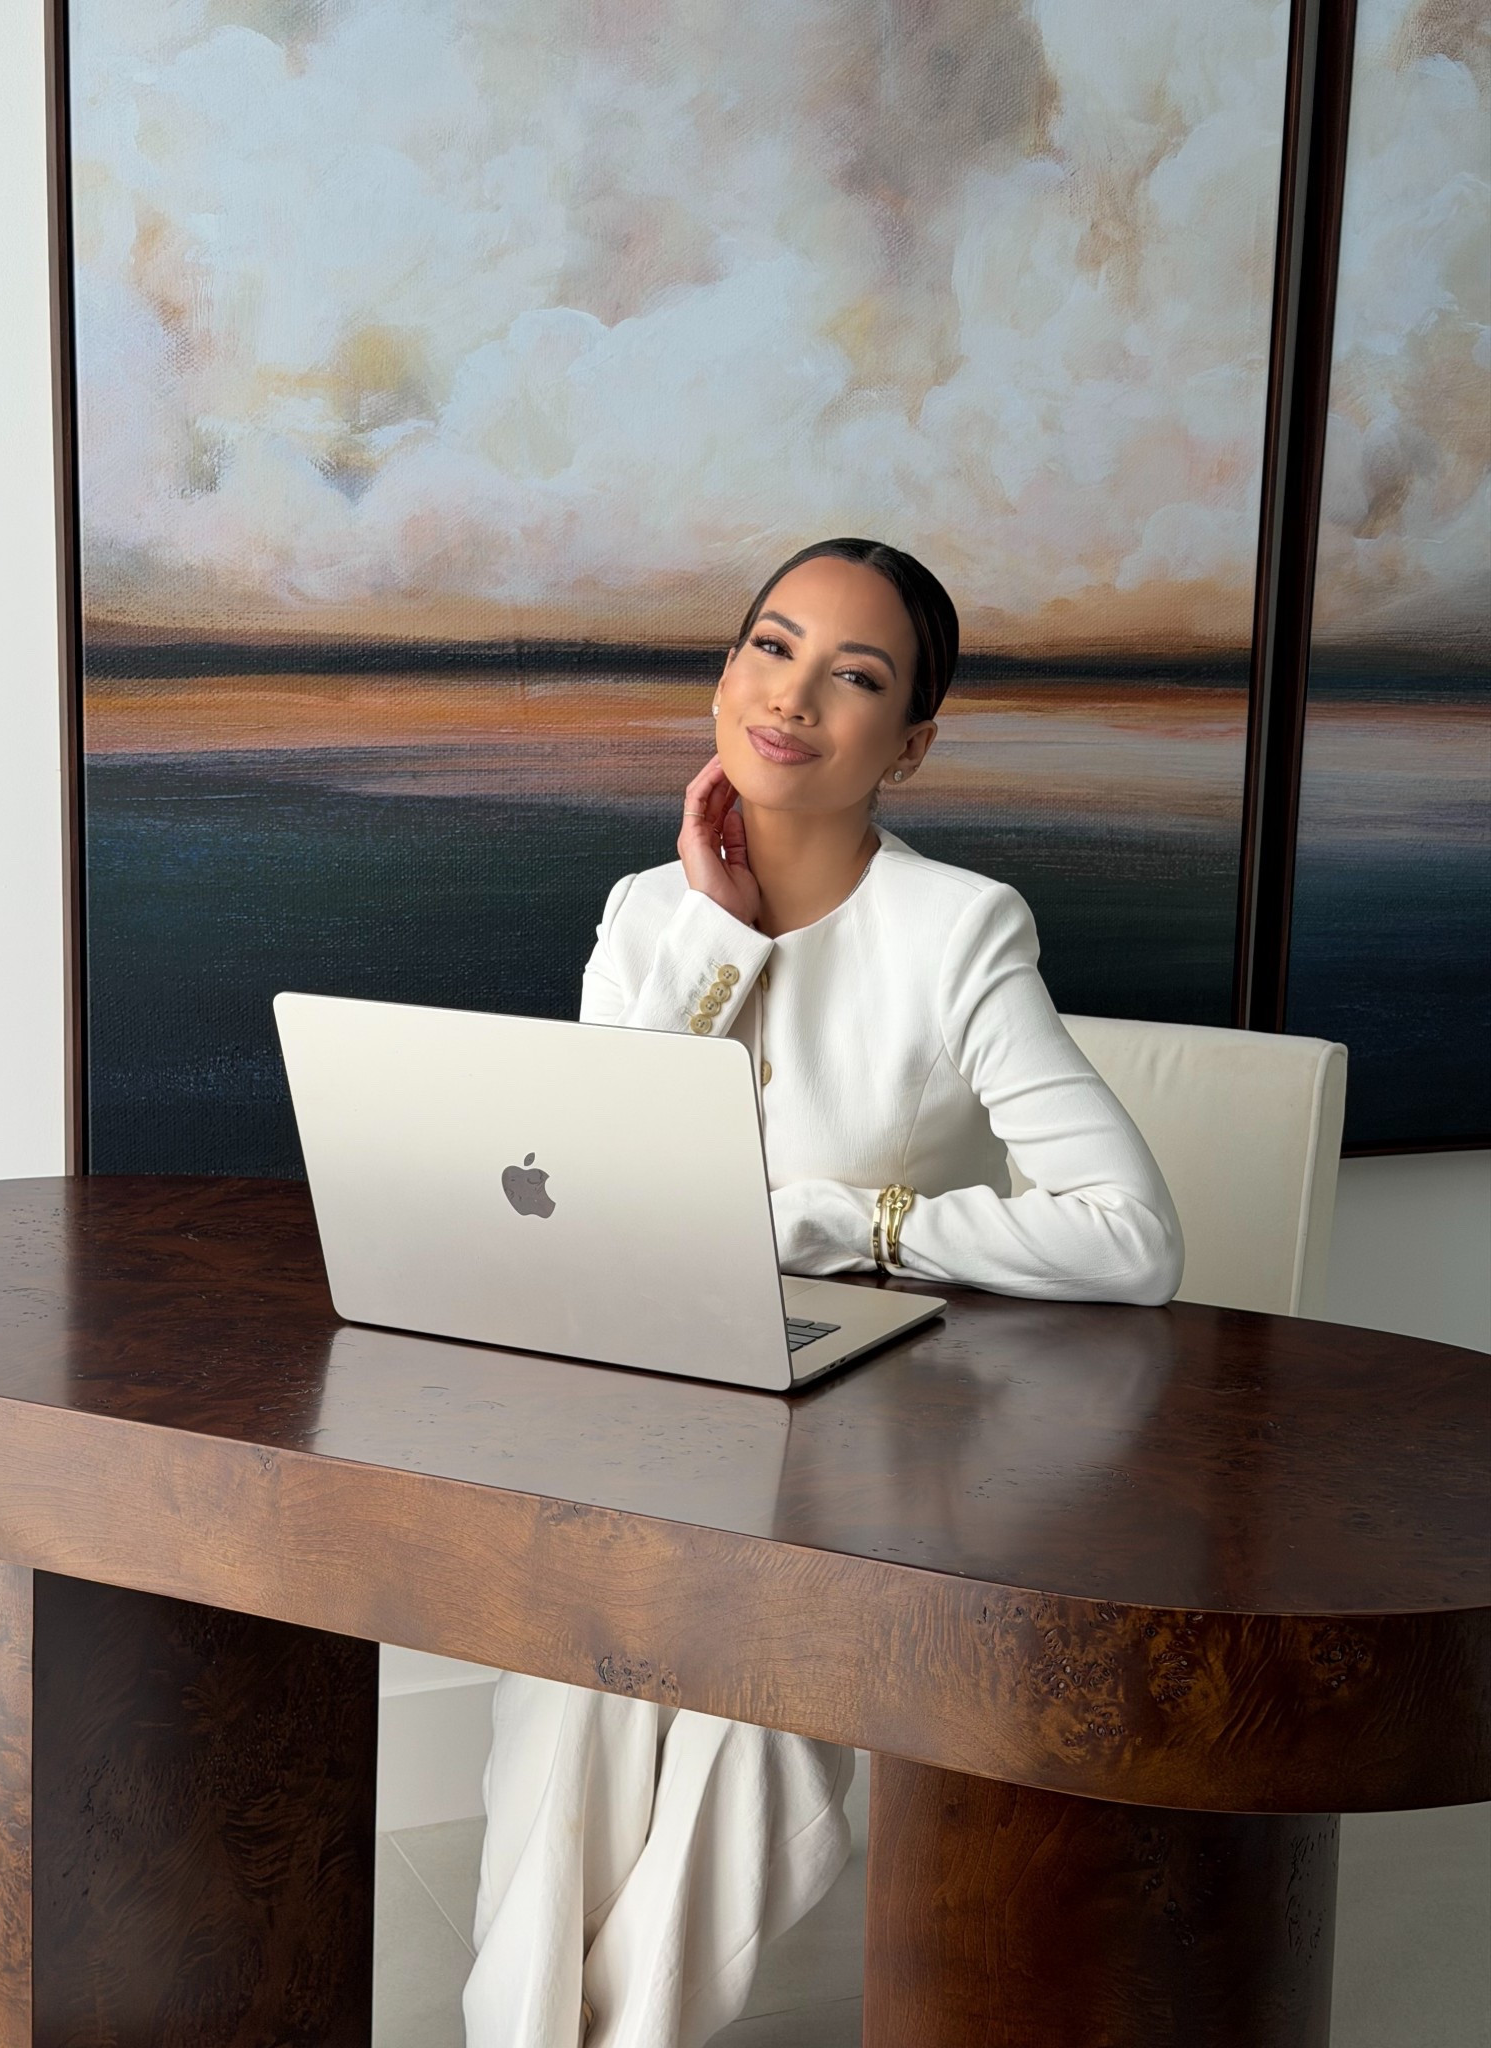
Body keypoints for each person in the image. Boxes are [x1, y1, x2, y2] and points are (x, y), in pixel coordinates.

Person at [461, 538, 1185, 2048]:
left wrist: (842, 1217)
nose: (791, 697)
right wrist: (717, 939)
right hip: (669, 1429)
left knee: (748, 1707)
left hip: (887, 1451)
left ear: (909, 742)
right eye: (769, 648)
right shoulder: (647, 916)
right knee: (573, 1702)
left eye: (854, 676)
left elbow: (1131, 1235)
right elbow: (604, 1190)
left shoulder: (959, 931)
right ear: (727, 673)